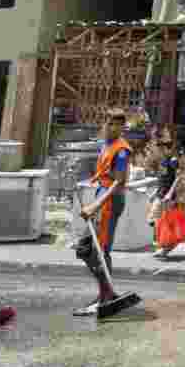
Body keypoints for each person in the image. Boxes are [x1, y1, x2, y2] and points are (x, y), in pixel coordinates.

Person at [74, 108, 132, 316]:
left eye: (117, 124)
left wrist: (95, 206)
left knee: (101, 250)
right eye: (109, 123)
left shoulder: (122, 150)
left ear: (122, 127)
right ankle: (106, 292)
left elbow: (119, 182)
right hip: (101, 198)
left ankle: (106, 296)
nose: (111, 128)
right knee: (84, 248)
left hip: (109, 202)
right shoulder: (106, 144)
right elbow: (104, 172)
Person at [150, 135, 181, 259]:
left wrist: (170, 193)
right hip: (161, 194)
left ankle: (165, 248)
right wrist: (155, 192)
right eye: (162, 147)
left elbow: (178, 178)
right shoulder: (163, 160)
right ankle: (163, 246)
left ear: (171, 148)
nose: (163, 150)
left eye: (166, 147)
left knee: (164, 222)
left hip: (168, 196)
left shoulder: (173, 161)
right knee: (155, 220)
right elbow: (162, 178)